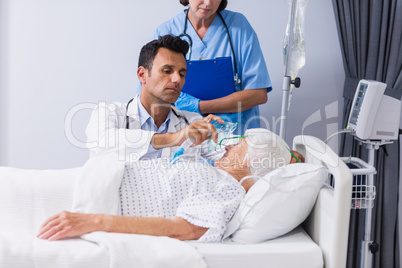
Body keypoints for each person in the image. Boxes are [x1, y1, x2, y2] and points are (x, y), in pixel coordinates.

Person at [37, 128, 303, 243]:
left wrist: (92, 221)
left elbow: (178, 230)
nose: (229, 145)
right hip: (100, 177)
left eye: (238, 146)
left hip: (96, 200)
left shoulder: (229, 193)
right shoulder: (213, 170)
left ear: (250, 163)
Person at [86, 35, 225, 162]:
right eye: (167, 71)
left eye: (182, 74)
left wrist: (242, 142)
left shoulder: (193, 121)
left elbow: (226, 157)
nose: (177, 79)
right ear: (142, 75)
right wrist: (174, 138)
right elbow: (101, 142)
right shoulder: (110, 112)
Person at [148, 0, 272, 135]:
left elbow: (258, 94)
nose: (207, 3)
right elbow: (150, 93)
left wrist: (197, 106)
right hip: (184, 135)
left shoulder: (239, 26)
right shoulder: (167, 31)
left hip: (236, 135)